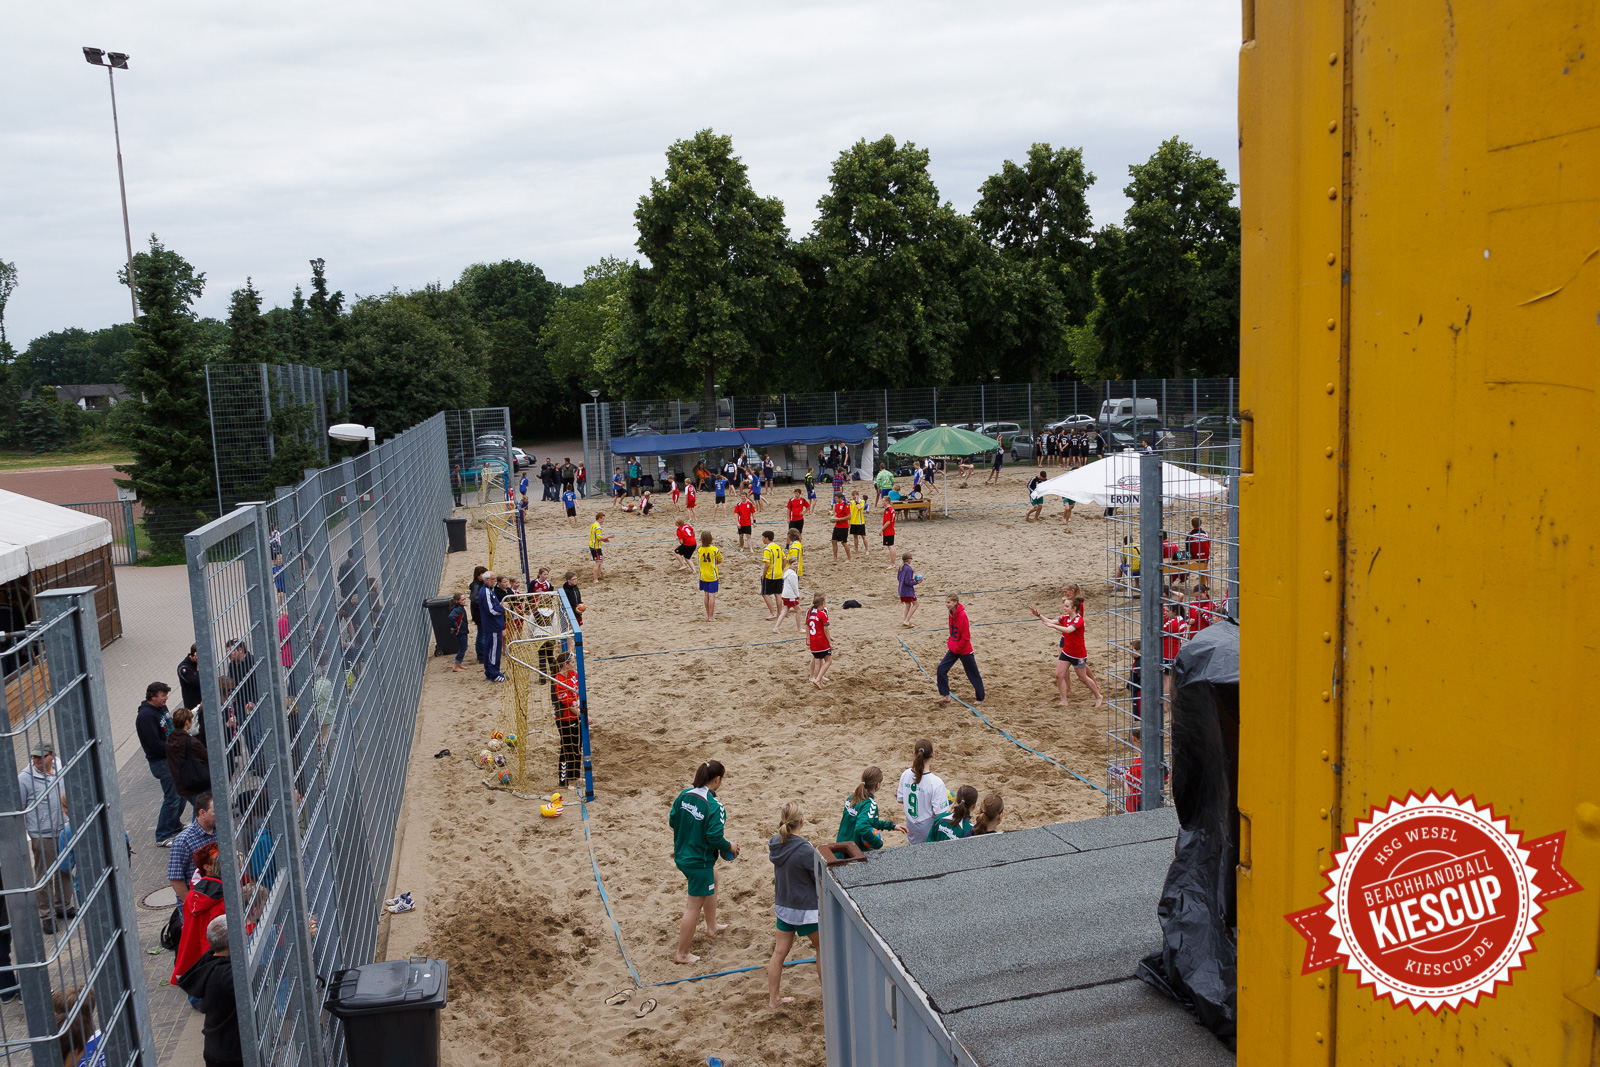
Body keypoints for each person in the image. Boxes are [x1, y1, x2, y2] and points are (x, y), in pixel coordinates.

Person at [669, 760, 739, 964]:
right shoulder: (714, 806)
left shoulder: (684, 795)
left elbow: (673, 821)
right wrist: (730, 847)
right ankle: (682, 954)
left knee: (713, 878)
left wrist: (692, 832)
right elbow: (715, 837)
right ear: (717, 779)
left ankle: (712, 925)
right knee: (693, 907)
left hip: (682, 854)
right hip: (698, 861)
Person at [766, 802, 820, 1008]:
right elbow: (818, 877)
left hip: (783, 905)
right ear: (802, 821)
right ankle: (828, 996)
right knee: (821, 948)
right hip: (805, 909)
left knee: (779, 952)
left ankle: (774, 1000)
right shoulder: (805, 849)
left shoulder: (775, 842)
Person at [176, 915, 242, 1067]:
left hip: (217, 1046)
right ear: (229, 942)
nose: (247, 935)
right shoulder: (226, 975)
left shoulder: (209, 961)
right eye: (243, 932)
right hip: (232, 1053)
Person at [18, 743, 71, 929]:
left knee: (64, 869)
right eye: (34, 757)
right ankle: (46, 914)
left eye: (41, 757)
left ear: (52, 756)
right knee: (45, 875)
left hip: (62, 829)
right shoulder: (24, 779)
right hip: (42, 834)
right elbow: (20, 807)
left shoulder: (59, 768)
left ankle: (64, 905)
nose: (37, 761)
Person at [1029, 596, 1104, 707]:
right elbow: (1050, 621)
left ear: (1074, 608)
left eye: (1067, 606)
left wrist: (1054, 626)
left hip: (1078, 654)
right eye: (1064, 606)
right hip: (1067, 652)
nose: (1064, 608)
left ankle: (1098, 696)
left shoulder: (1079, 620)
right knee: (1059, 675)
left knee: (1082, 678)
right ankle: (1063, 701)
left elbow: (1069, 630)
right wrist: (1039, 615)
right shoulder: (1065, 618)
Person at [137, 682, 187, 845]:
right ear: (153, 697)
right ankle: (163, 835)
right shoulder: (146, 717)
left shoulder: (161, 709)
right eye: (163, 695)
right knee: (172, 797)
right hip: (162, 762)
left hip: (172, 758)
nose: (166, 698)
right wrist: (177, 745)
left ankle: (174, 824)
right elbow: (154, 745)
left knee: (182, 793)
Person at [171, 841, 225, 988]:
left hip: (198, 955)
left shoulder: (192, 895)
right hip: (215, 954)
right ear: (207, 868)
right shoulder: (223, 900)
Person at [896, 739, 950, 845]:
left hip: (911, 823)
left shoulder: (905, 774)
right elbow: (940, 814)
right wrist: (951, 806)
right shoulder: (936, 782)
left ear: (914, 754)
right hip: (927, 826)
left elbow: (901, 799)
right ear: (933, 754)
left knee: (914, 850)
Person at [836, 767, 903, 851]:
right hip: (854, 853)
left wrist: (891, 826)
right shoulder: (870, 804)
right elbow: (862, 826)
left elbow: (868, 821)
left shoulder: (851, 798)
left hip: (840, 847)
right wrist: (877, 843)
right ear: (878, 785)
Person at [168, 792, 218, 902]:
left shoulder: (222, 832)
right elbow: (175, 879)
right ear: (202, 813)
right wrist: (190, 904)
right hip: (197, 906)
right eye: (215, 812)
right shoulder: (183, 841)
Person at [935, 595, 985, 704]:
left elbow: (966, 636)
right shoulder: (951, 614)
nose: (946, 604)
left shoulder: (962, 615)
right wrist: (951, 642)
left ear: (955, 602)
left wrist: (958, 647)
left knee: (972, 674)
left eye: (949, 602)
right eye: (946, 602)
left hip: (964, 650)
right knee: (941, 669)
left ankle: (980, 698)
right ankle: (946, 696)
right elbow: (952, 630)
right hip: (954, 648)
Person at [166, 706, 211, 799]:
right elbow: (206, 757)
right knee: (203, 808)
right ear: (187, 722)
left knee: (198, 808)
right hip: (196, 783)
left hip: (182, 784)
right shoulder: (192, 742)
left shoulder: (170, 739)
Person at [552, 652, 581, 787]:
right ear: (566, 665)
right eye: (573, 662)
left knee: (577, 746)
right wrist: (583, 714)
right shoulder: (558, 681)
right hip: (565, 720)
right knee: (566, 749)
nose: (574, 664)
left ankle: (575, 777)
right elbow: (568, 705)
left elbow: (578, 692)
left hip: (576, 715)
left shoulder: (572, 675)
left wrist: (579, 704)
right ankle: (563, 782)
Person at [477, 571, 507, 682]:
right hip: (493, 626)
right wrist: (502, 607)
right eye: (493, 579)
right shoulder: (485, 592)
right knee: (494, 651)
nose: (495, 581)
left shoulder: (488, 591)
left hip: (493, 625)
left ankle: (491, 672)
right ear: (487, 580)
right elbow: (491, 610)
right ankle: (494, 674)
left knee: (491, 649)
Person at [806, 593, 832, 688]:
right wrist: (829, 642)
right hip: (821, 640)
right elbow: (826, 629)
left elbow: (808, 625)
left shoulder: (810, 613)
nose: (824, 606)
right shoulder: (822, 613)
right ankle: (818, 679)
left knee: (817, 661)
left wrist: (808, 638)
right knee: (828, 661)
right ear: (820, 605)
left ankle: (817, 678)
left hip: (813, 641)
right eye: (824, 604)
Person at [697, 531, 723, 622]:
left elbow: (699, 561)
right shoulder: (715, 549)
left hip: (703, 575)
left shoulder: (700, 550)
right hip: (712, 575)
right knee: (712, 595)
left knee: (706, 594)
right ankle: (711, 617)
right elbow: (720, 560)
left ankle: (708, 615)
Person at [760, 531, 785, 621]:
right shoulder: (778, 547)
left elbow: (767, 564)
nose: (762, 539)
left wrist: (763, 575)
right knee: (777, 594)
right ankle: (780, 612)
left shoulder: (767, 549)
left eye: (763, 537)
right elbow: (785, 559)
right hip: (779, 574)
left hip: (770, 574)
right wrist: (781, 569)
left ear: (767, 538)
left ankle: (773, 613)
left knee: (765, 594)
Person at [774, 556, 801, 635]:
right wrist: (797, 595)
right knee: (799, 610)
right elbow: (794, 587)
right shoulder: (792, 574)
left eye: (796, 564)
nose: (796, 566)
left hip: (786, 595)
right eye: (794, 564)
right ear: (790, 565)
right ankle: (799, 628)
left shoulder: (787, 572)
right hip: (790, 596)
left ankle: (776, 627)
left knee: (785, 611)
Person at [897, 553, 922, 627]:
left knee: (908, 605)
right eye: (911, 558)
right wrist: (916, 582)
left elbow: (899, 578)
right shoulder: (909, 569)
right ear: (908, 559)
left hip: (902, 590)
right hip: (908, 591)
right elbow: (907, 582)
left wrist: (912, 580)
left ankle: (905, 621)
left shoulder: (901, 567)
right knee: (916, 604)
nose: (911, 560)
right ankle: (907, 621)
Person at [447, 592, 470, 672]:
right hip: (459, 631)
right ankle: (456, 665)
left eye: (464, 599)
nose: (464, 601)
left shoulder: (460, 608)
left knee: (464, 647)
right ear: (457, 601)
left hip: (462, 630)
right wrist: (456, 626)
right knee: (463, 648)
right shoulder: (457, 609)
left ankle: (459, 664)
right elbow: (451, 617)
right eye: (462, 599)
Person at [177, 644, 204, 711]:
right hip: (193, 704)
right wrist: (199, 664)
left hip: (203, 699)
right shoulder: (184, 668)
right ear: (195, 655)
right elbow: (197, 681)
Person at [588, 512, 612, 582]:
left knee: (601, 559)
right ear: (599, 519)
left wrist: (604, 540)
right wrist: (609, 536)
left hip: (594, 545)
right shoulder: (598, 527)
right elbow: (599, 538)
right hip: (595, 547)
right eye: (603, 519)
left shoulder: (593, 525)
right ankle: (595, 579)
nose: (603, 520)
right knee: (598, 562)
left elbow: (596, 537)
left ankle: (599, 575)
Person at [830, 495, 851, 562]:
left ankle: (849, 558)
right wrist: (833, 518)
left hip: (844, 526)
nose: (835, 499)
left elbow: (849, 517)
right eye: (834, 498)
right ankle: (835, 558)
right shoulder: (836, 505)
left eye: (836, 498)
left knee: (844, 542)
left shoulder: (845, 505)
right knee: (833, 541)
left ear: (840, 498)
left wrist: (839, 519)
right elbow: (836, 514)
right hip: (837, 526)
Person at [847, 491, 868, 556]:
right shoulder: (852, 502)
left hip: (860, 522)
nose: (854, 497)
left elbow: (859, 508)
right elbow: (850, 512)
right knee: (855, 536)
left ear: (858, 495)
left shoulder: (862, 501)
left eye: (855, 495)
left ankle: (867, 549)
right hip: (853, 522)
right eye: (853, 495)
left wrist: (856, 501)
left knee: (863, 536)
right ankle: (856, 549)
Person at [881, 501, 897, 565]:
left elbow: (888, 522)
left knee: (890, 547)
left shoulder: (887, 510)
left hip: (888, 531)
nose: (882, 502)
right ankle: (893, 563)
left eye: (883, 501)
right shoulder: (892, 509)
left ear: (887, 502)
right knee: (892, 546)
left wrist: (881, 529)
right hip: (891, 529)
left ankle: (893, 563)